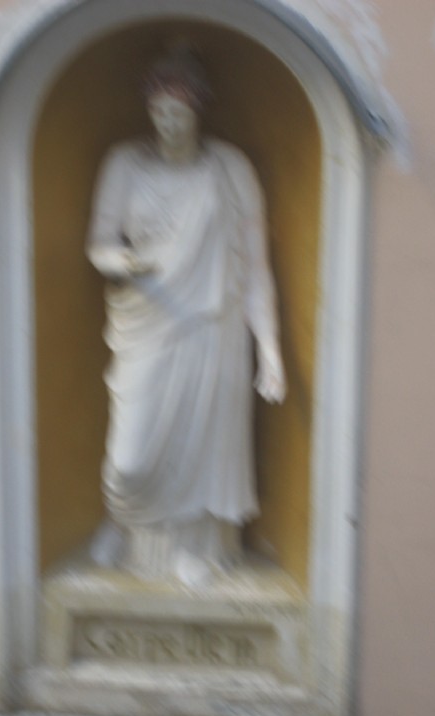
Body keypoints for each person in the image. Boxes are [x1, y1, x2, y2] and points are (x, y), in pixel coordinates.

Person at [86, 48, 285, 586]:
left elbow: (256, 267)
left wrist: (269, 351)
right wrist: (122, 261)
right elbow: (99, 243)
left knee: (204, 448)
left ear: (198, 112)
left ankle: (195, 546)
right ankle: (121, 518)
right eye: (159, 112)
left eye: (178, 113)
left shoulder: (230, 168)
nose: (168, 124)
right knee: (129, 457)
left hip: (212, 328)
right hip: (146, 322)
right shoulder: (124, 164)